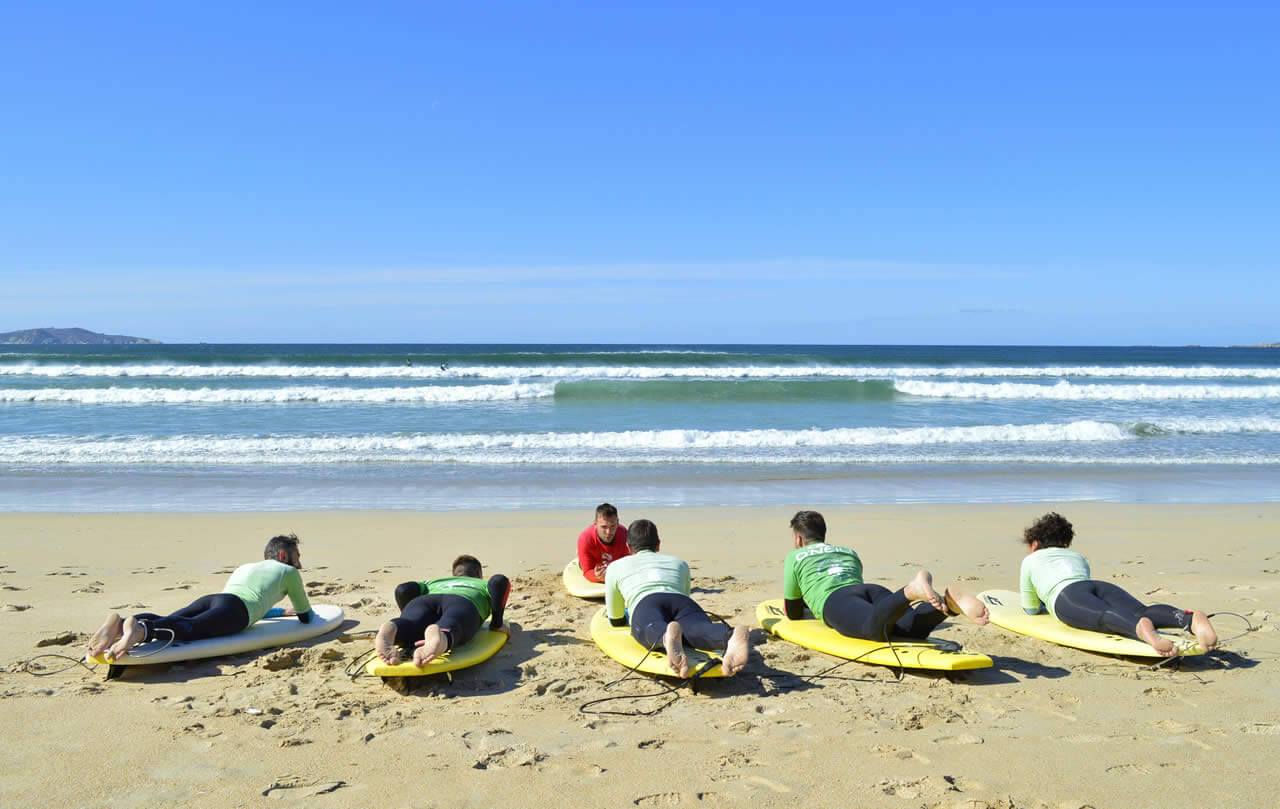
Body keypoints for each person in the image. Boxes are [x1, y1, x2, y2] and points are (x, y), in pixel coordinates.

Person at [86, 534, 313, 661]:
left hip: (216, 600)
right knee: (190, 629)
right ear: (283, 555)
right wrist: (300, 611)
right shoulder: (289, 572)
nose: (300, 564)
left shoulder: (246, 567)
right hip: (236, 612)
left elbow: (238, 602)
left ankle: (120, 626)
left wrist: (280, 612)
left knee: (175, 621)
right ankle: (140, 630)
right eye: (297, 557)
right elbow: (305, 616)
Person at [1018, 512, 1217, 657]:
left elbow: (1031, 607)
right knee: (1141, 610)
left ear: (1034, 544)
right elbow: (1082, 587)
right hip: (1095, 587)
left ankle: (1141, 630)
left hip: (1066, 597)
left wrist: (1042, 605)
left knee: (1103, 616)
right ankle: (1189, 619)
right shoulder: (1077, 557)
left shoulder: (1030, 560)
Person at [783, 510, 989, 641]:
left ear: (798, 539)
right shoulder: (847, 552)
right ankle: (949, 606)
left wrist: (804, 603)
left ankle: (911, 590)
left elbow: (792, 612)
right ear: (823, 534)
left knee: (872, 630)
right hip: (869, 591)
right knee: (907, 628)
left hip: (835, 599)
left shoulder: (795, 557)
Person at [604, 518, 750, 677]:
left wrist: (627, 617)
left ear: (628, 547)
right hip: (682, 602)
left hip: (646, 602)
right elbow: (684, 595)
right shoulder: (679, 564)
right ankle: (729, 635)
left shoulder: (616, 567)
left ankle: (665, 636)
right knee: (696, 628)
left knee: (648, 628)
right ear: (658, 544)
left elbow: (616, 618)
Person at [375, 554, 510, 667]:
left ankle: (395, 627)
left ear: (454, 574)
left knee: (411, 622)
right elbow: (499, 582)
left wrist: (410, 623)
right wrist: (497, 623)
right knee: (452, 624)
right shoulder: (482, 584)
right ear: (479, 573)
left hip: (424, 601)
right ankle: (439, 634)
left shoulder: (434, 582)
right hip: (463, 602)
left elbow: (403, 589)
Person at [577, 502, 631, 583]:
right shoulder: (585, 539)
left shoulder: (625, 535)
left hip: (615, 562)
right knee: (582, 564)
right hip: (595, 564)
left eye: (613, 526)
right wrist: (597, 576)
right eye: (604, 527)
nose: (608, 532)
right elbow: (587, 571)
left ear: (618, 522)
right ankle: (581, 554)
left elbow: (628, 564)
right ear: (595, 523)